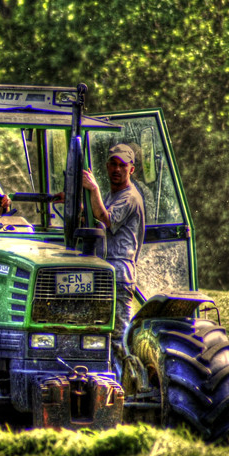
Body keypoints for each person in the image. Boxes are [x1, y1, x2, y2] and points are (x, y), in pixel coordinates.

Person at [81, 143, 145, 356]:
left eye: (122, 166)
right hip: (104, 270)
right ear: (107, 166)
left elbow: (104, 218)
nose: (117, 169)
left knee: (118, 338)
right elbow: (95, 211)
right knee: (99, 334)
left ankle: (125, 383)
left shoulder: (130, 197)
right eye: (113, 164)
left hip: (118, 272)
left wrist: (93, 188)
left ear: (131, 169)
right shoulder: (110, 196)